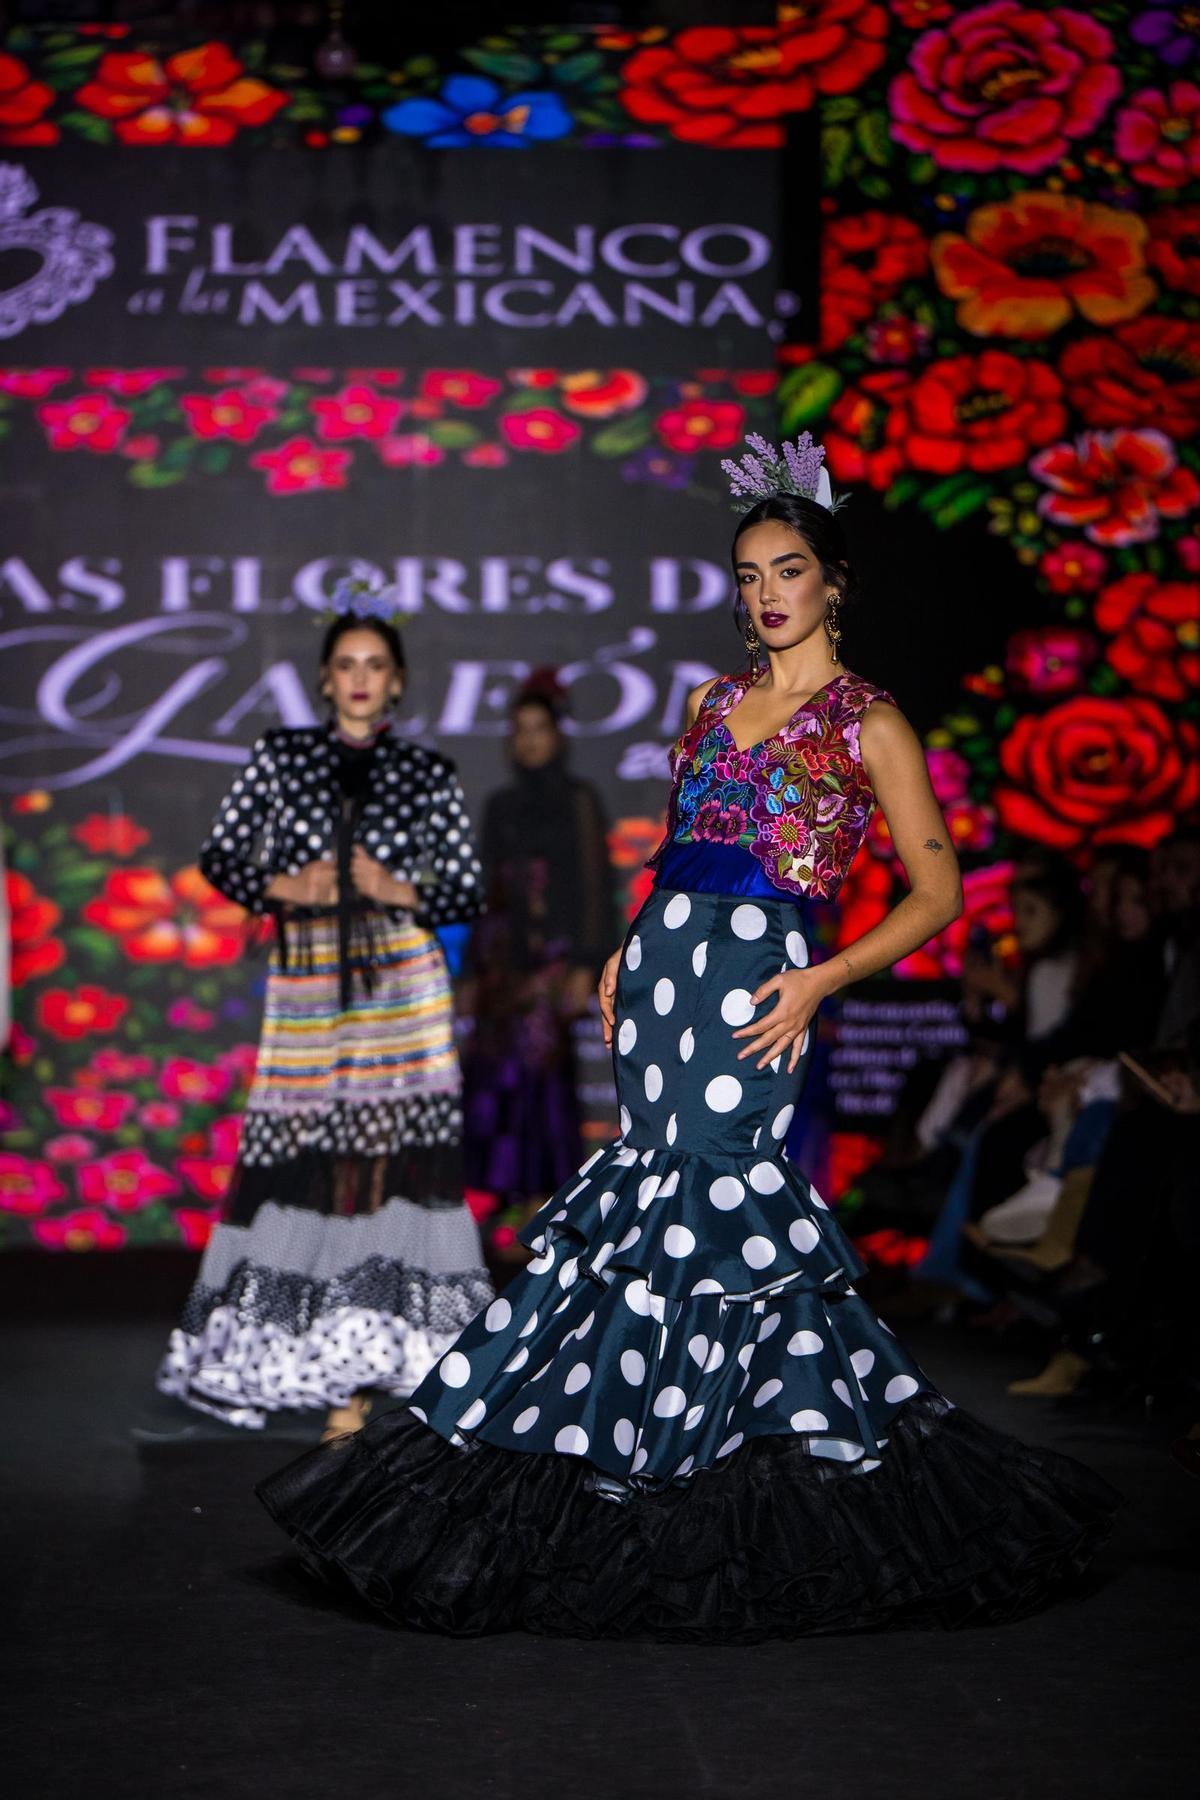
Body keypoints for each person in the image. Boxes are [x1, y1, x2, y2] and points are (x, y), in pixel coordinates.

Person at [257, 436, 1117, 1639]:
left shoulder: (870, 722)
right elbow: (682, 848)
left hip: (762, 993)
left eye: (787, 571)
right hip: (660, 986)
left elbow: (940, 895)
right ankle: (647, 1468)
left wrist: (821, 981)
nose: (764, 594)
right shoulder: (713, 704)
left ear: (834, 583)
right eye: (748, 574)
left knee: (718, 1214)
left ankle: (724, 1479)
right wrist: (624, 947)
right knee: (647, 1213)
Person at [158, 587, 492, 1436]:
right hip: (308, 982)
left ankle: (366, 1359)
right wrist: (283, 884)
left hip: (400, 983)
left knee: (385, 1162)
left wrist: (399, 887)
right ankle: (304, 1354)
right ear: (323, 678)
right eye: (346, 664)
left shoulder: (426, 772)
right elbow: (222, 852)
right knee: (306, 1156)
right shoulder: (280, 756)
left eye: (375, 666)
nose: (359, 678)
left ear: (397, 683)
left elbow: (467, 887)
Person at [461, 669, 614, 1251]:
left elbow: (596, 886)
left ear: (558, 736)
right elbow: (485, 892)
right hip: (503, 961)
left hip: (553, 960)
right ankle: (500, 1193)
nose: (528, 740)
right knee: (495, 1077)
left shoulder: (577, 799)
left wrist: (584, 962)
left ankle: (546, 1200)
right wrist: (474, 971)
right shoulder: (500, 805)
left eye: (538, 729)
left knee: (542, 1078)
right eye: (518, 730)